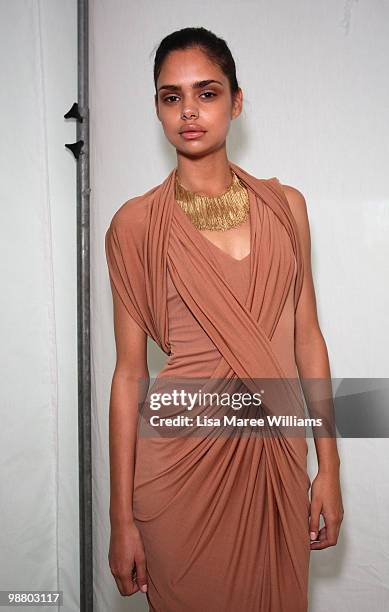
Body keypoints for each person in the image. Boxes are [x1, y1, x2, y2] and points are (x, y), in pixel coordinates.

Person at [105, 26, 344, 612]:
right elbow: (129, 376)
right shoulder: (135, 225)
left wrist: (330, 465)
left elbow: (306, 337)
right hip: (179, 475)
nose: (189, 110)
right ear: (158, 109)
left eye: (206, 93)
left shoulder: (286, 208)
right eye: (171, 96)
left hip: (276, 466)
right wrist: (120, 519)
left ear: (237, 102)